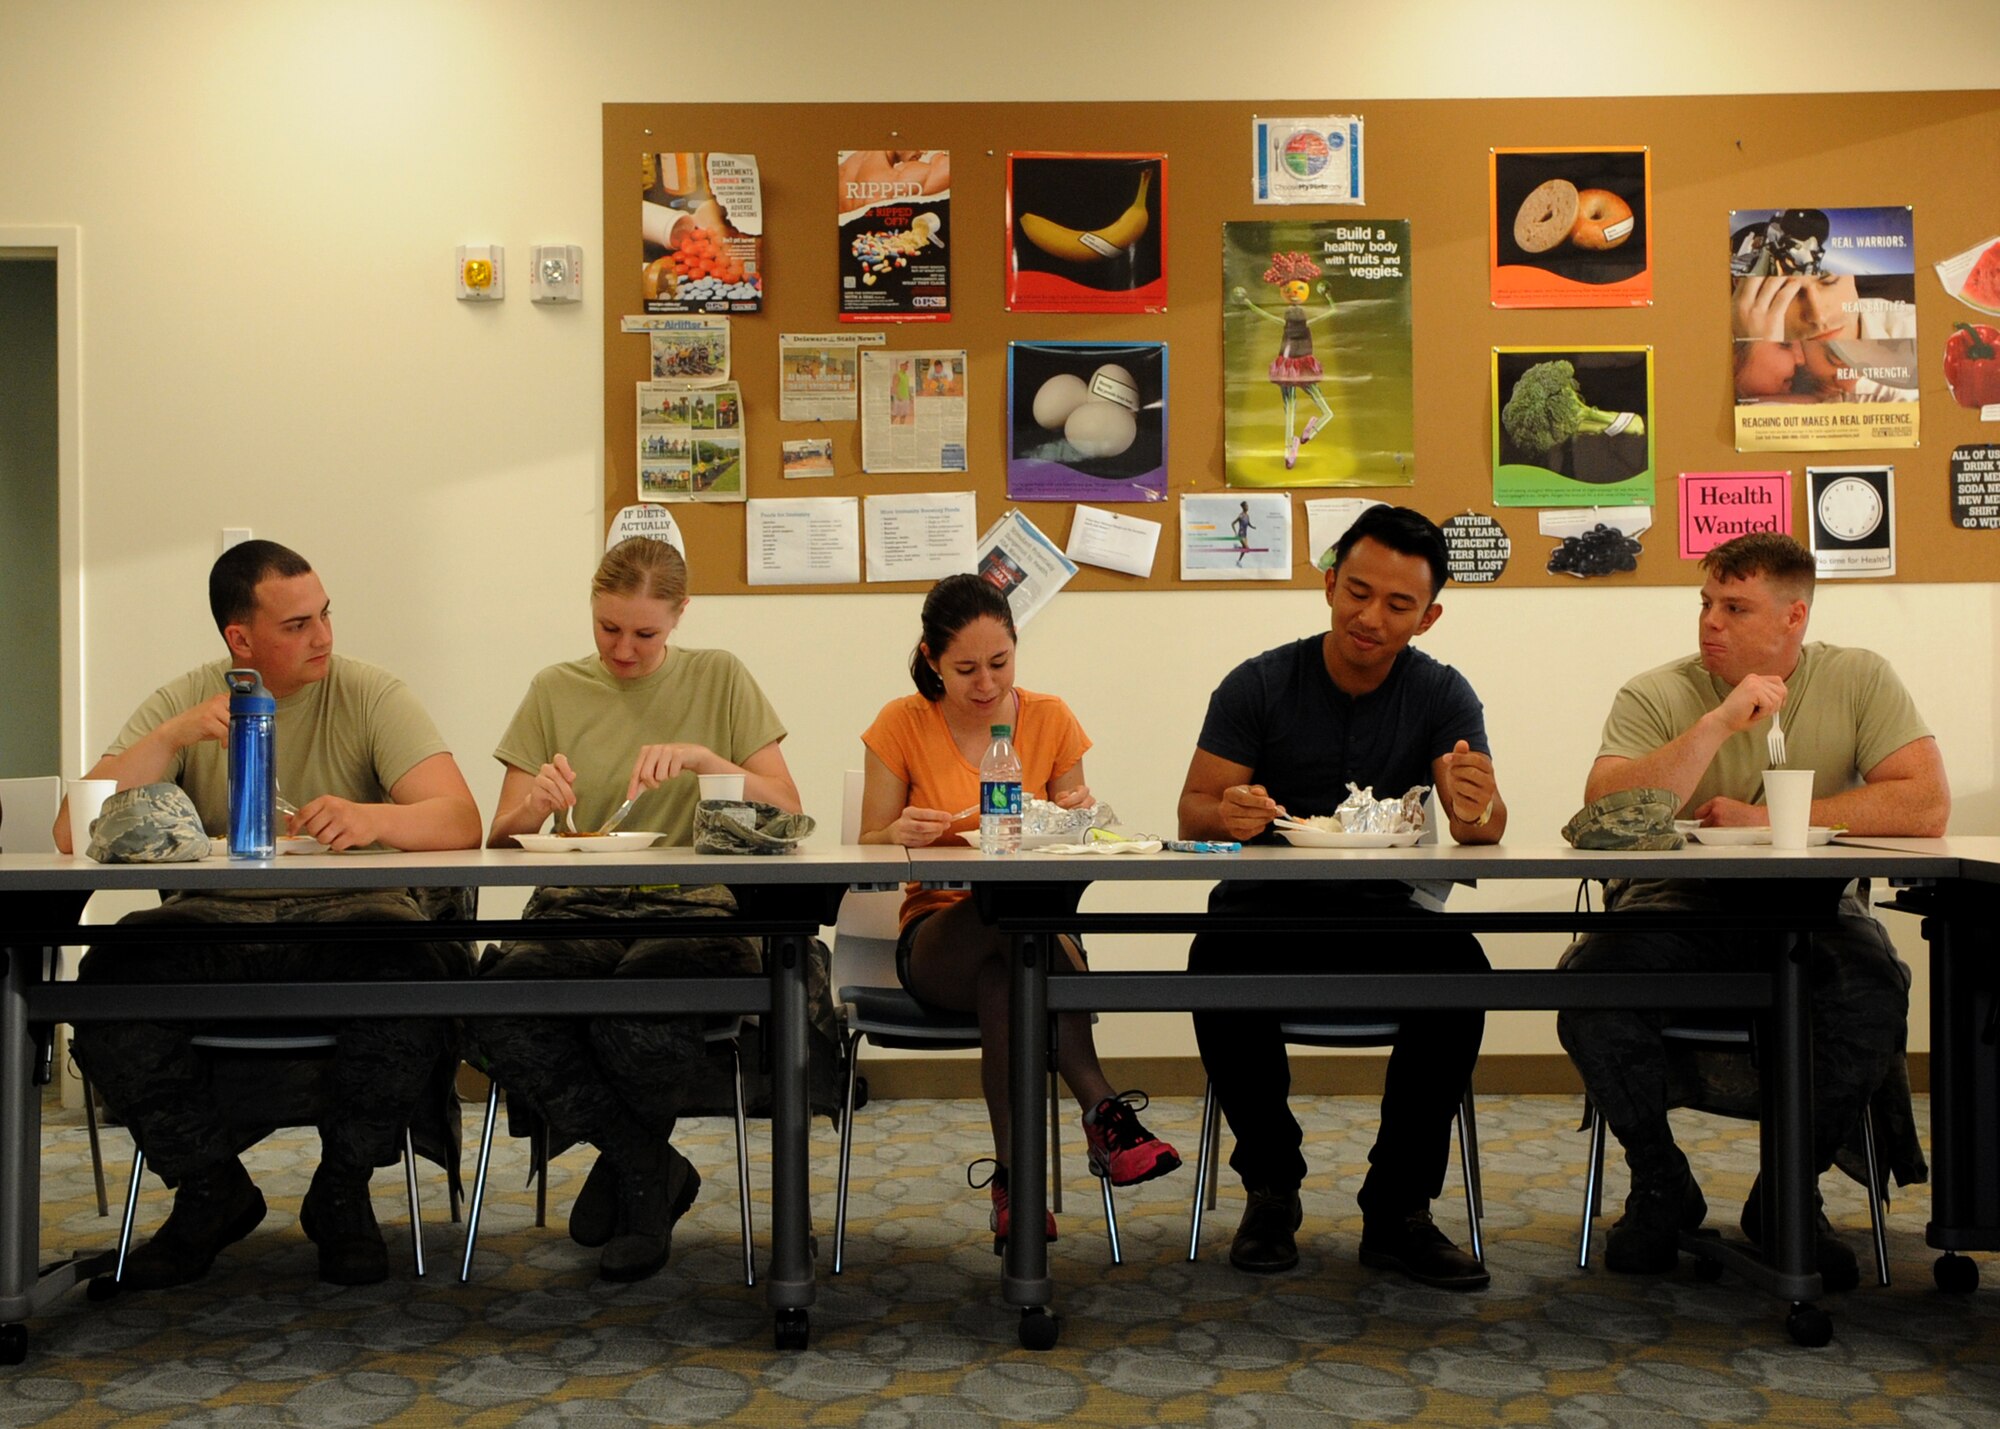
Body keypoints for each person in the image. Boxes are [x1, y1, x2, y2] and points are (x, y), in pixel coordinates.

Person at [56, 539, 482, 1289]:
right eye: (295, 625)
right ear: (240, 638)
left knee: (418, 974)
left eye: (324, 615)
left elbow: (459, 818)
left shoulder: (370, 693)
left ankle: (342, 1190)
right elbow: (72, 831)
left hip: (350, 917)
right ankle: (211, 1187)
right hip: (218, 922)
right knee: (106, 982)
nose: (321, 636)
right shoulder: (191, 700)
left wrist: (372, 817)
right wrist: (170, 738)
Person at [1558, 532, 1948, 1289]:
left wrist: (1772, 825)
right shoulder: (1658, 691)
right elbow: (1605, 812)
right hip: (1677, 902)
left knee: (1876, 988)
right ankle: (1661, 1181)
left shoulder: (1858, 678)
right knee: (1589, 985)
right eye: (1706, 603)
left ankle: (1785, 1192)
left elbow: (1924, 802)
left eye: (1735, 608)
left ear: (1793, 617)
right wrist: (1716, 724)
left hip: (1809, 906)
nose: (1711, 622)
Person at [1177, 504, 1505, 1290]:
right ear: (1329, 582)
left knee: (1463, 976)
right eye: (1357, 590)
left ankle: (1398, 1208)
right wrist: (1228, 813)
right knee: (1211, 961)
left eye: (1398, 604)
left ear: (1428, 616)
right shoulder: (1259, 683)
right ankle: (1271, 1185)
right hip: (1263, 911)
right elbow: (1193, 808)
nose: (1370, 616)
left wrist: (1477, 804)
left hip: (1388, 911)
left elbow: (1483, 828)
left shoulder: (1441, 693)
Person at [472, 537, 802, 1283]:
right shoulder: (554, 688)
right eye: (607, 628)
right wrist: (534, 804)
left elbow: (787, 805)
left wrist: (704, 760)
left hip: (694, 906)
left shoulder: (719, 678)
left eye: (644, 633)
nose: (622, 648)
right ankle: (648, 1165)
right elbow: (496, 832)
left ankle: (631, 1172)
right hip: (578, 901)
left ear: (680, 615)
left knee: (641, 1013)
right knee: (500, 1007)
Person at [860, 574, 1180, 1250]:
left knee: (1009, 972)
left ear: (1015, 647)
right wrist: (898, 833)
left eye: (1000, 663)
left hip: (1028, 936)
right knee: (1001, 922)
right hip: (938, 936)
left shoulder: (1051, 717)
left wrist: (1075, 818)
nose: (985, 684)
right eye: (965, 669)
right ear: (931, 658)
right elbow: (867, 845)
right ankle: (1104, 1108)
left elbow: (1076, 838)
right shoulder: (901, 722)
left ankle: (1016, 1187)